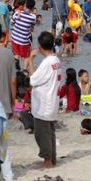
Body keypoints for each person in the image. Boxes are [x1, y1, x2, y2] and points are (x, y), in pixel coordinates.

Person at [24, 31, 61, 169]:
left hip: (44, 103)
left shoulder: (47, 63)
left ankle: (48, 161)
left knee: (42, 133)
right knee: (49, 131)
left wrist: (30, 60)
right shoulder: (56, 60)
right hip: (51, 101)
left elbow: (33, 79)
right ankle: (52, 158)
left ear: (40, 46)